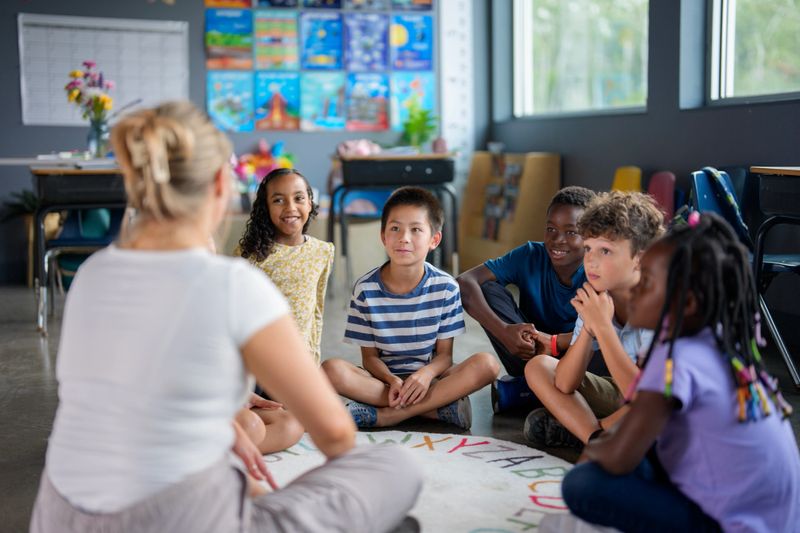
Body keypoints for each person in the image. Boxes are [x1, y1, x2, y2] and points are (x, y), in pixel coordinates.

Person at [30, 101, 422, 533]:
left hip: (59, 514)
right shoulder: (234, 283)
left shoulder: (92, 275)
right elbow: (335, 436)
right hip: (173, 519)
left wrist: (225, 419)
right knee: (394, 466)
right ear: (221, 183)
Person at [559, 212, 800, 532]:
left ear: (685, 303)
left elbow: (615, 457)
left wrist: (595, 447)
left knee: (581, 484)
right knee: (644, 449)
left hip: (735, 525)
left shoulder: (673, 360)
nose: (636, 290)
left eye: (646, 282)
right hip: (779, 522)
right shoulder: (718, 342)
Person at [322, 186, 499, 429]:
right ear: (383, 236)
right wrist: (391, 380)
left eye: (416, 230)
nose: (404, 238)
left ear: (434, 240)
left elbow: (444, 356)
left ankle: (388, 415)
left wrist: (424, 375)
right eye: (395, 228)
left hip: (431, 379)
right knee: (331, 370)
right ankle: (435, 410)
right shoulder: (365, 289)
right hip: (382, 382)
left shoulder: (446, 287)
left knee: (487, 365)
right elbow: (370, 358)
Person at [524, 191, 664, 448]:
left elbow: (646, 396)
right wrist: (589, 327)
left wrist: (603, 327)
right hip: (630, 395)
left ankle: (587, 432)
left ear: (640, 258)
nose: (591, 260)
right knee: (539, 367)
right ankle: (595, 439)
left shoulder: (661, 302)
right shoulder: (598, 296)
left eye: (606, 251)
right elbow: (566, 383)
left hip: (667, 402)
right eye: (588, 248)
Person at [457, 186, 596, 411]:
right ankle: (548, 393)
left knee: (605, 337)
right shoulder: (531, 254)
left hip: (584, 363)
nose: (557, 240)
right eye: (551, 229)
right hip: (528, 355)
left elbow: (610, 329)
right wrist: (504, 331)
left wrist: (553, 341)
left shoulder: (599, 267)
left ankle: (529, 393)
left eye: (571, 232)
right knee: (486, 287)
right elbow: (464, 282)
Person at [235, 167, 334, 454]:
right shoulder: (252, 257)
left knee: (305, 417)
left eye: (299, 198)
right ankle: (240, 425)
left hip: (296, 365)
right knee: (298, 419)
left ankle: (243, 433)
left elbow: (315, 315)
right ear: (265, 208)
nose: (291, 208)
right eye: (278, 200)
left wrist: (311, 368)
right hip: (257, 368)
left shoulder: (322, 252)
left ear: (310, 202)